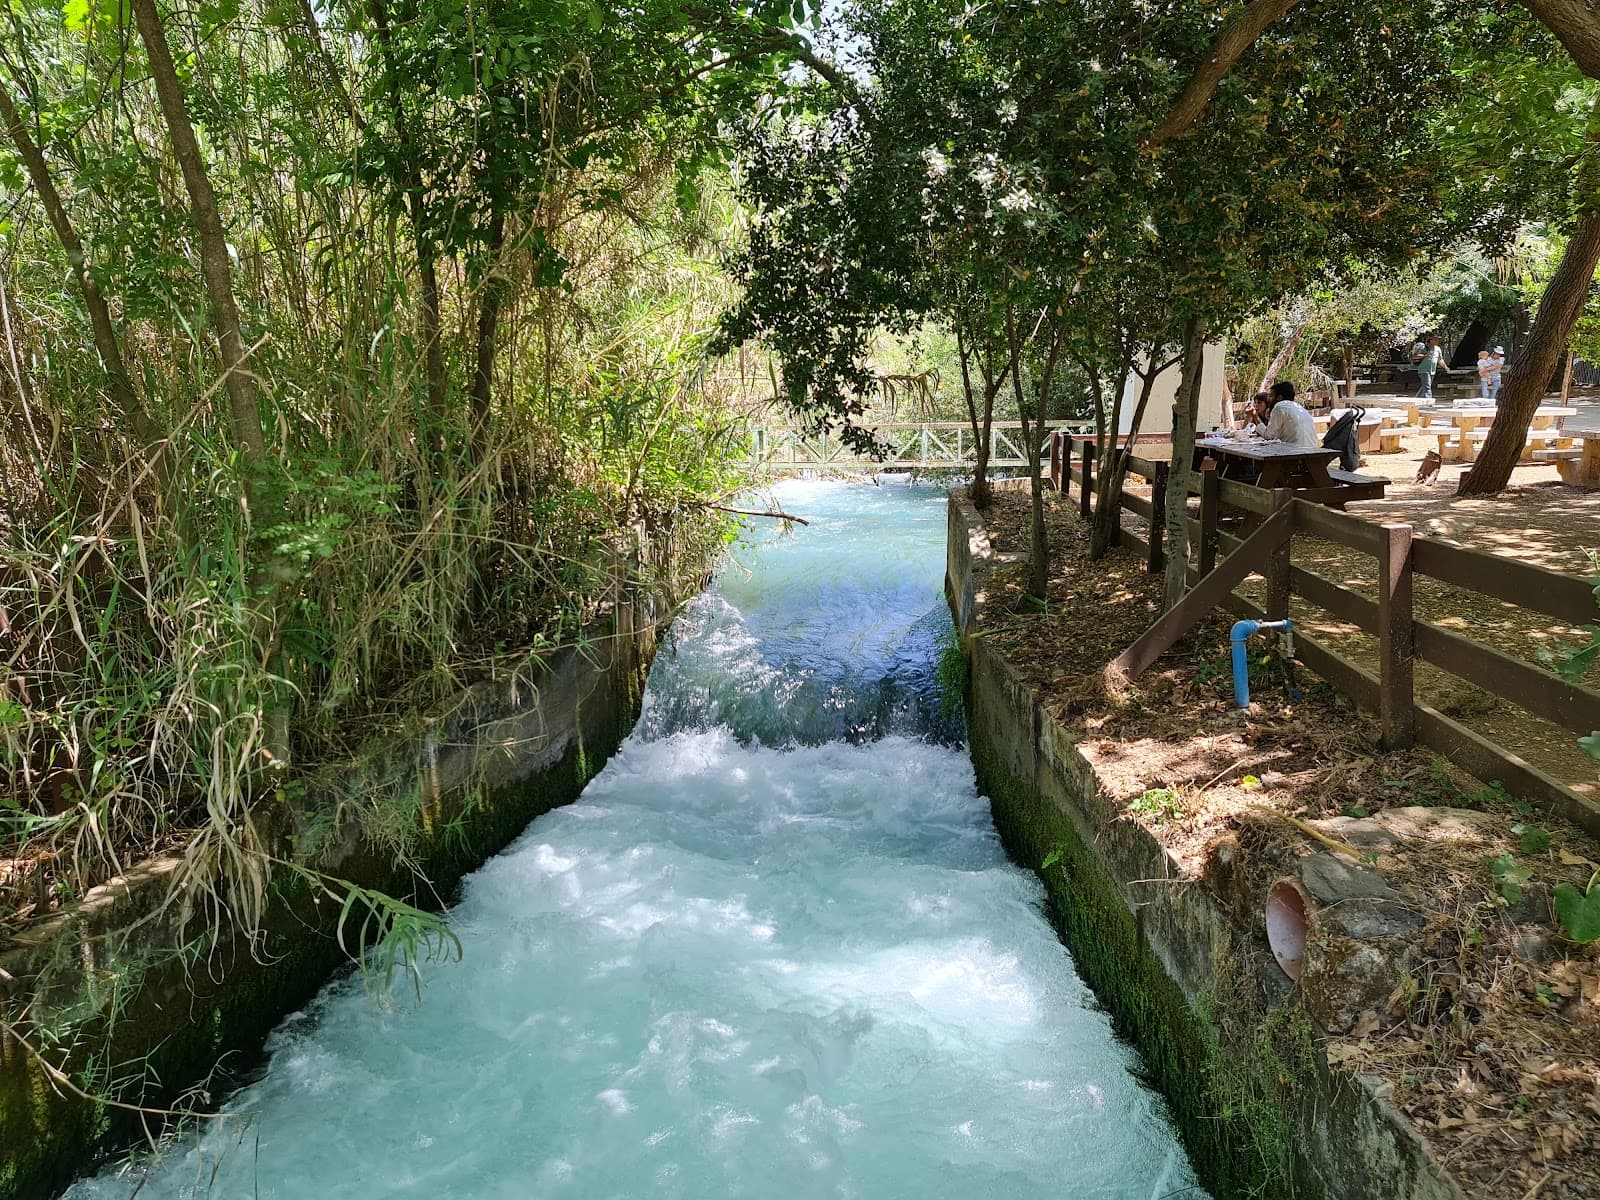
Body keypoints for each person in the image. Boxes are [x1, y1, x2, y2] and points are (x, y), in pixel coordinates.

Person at [1262, 380, 1319, 446]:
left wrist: (1255, 417)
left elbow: (1268, 436)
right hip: (1312, 450)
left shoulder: (1280, 406)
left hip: (1294, 453)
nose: (1268, 399)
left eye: (1271, 396)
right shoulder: (1299, 407)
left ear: (1279, 397)